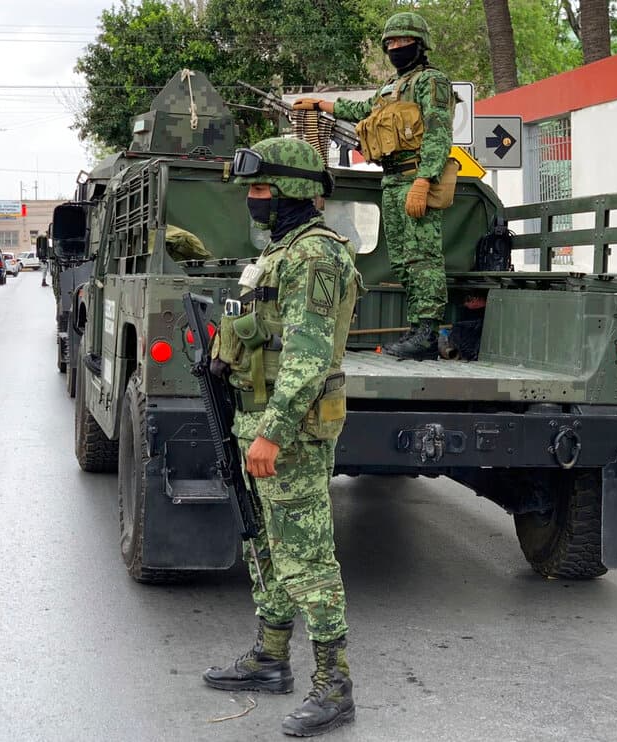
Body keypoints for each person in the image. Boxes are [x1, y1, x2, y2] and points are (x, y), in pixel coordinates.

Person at [202, 137, 361, 737]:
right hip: (257, 421)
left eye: (262, 188)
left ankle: (334, 687)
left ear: (294, 190)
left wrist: (271, 433)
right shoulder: (281, 252)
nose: (253, 199)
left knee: (307, 558)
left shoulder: (315, 257)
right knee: (263, 544)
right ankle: (271, 658)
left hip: (287, 431)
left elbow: (307, 359)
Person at [294, 11, 454, 360]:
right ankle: (417, 331)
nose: (396, 47)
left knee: (423, 258)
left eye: (402, 41)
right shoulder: (391, 89)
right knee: (402, 259)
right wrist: (323, 104)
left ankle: (427, 332)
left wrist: (424, 180)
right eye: (391, 43)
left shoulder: (431, 82)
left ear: (419, 44)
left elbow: (439, 134)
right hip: (393, 179)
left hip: (415, 177)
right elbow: (364, 108)